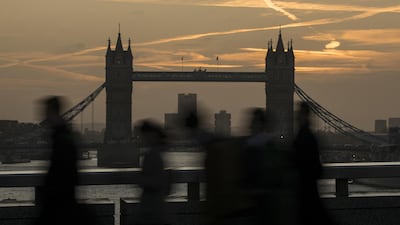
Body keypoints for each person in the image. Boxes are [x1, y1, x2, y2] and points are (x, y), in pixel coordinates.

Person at [35, 96, 93, 225]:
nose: (43, 116)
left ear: (51, 112)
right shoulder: (66, 135)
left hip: (59, 205)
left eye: (45, 112)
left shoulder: (61, 139)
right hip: (62, 203)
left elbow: (61, 173)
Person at [293, 102, 334, 225]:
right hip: (309, 192)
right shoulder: (308, 136)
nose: (297, 117)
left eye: (299, 114)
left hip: (305, 193)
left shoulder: (304, 137)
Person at [136, 120, 170, 225]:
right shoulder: (158, 154)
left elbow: (156, 181)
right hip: (156, 205)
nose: (141, 138)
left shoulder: (151, 155)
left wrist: (139, 180)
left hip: (151, 206)